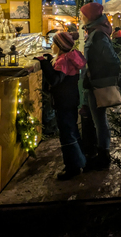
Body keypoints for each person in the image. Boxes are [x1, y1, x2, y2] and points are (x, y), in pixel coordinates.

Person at [35, 32, 87, 180]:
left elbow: (55, 80)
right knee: (72, 130)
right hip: (71, 100)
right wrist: (51, 59)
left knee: (67, 134)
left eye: (54, 44)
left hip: (63, 102)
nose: (52, 46)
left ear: (60, 46)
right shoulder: (70, 57)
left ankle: (72, 167)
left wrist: (44, 63)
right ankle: (80, 160)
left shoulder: (63, 61)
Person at [80, 2, 121, 170]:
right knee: (95, 119)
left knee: (99, 120)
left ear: (90, 16)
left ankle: (103, 155)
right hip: (92, 83)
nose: (82, 17)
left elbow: (112, 60)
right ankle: (97, 152)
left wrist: (98, 76)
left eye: (83, 14)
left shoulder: (98, 35)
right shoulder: (94, 32)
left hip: (96, 85)